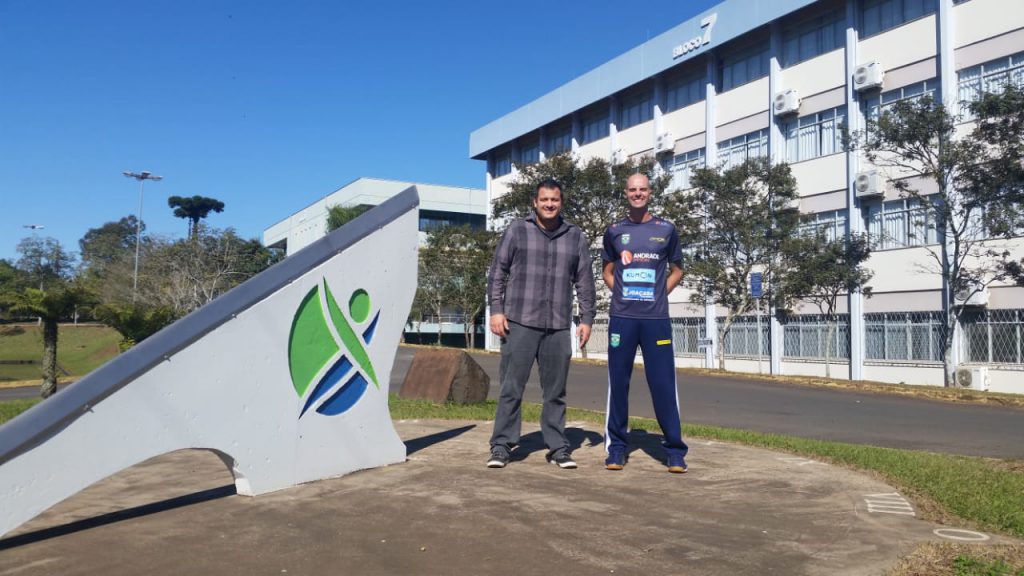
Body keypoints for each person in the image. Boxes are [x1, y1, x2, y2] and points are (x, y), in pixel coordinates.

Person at [486, 178, 596, 469]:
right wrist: (496, 310)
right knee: (512, 387)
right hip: (519, 321)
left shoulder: (575, 236)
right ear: (535, 202)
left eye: (555, 200)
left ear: (561, 202)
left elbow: (585, 280)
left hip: (558, 324)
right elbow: (498, 271)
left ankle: (558, 447)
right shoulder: (517, 230)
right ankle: (502, 445)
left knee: (556, 391)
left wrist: (586, 318)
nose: (549, 204)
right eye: (544, 199)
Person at [601, 173, 689, 473]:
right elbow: (607, 271)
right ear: (625, 193)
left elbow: (677, 270)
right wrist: (622, 293)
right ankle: (616, 448)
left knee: (663, 384)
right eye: (632, 190)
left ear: (650, 193)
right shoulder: (614, 230)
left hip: (656, 320)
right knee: (619, 384)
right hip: (623, 319)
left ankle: (675, 452)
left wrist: (659, 294)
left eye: (642, 190)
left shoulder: (666, 229)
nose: (637, 194)